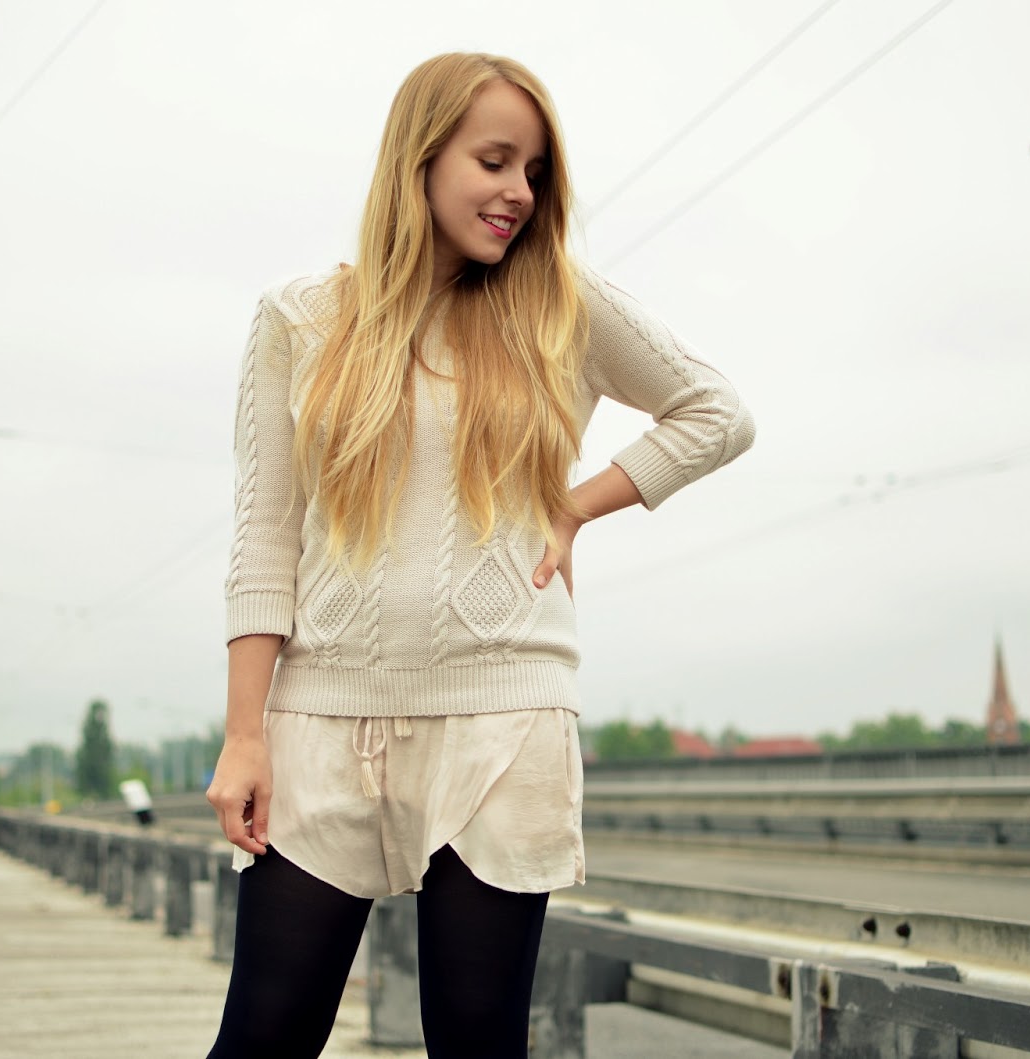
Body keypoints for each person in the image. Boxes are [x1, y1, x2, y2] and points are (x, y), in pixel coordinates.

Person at [206, 52, 755, 1059]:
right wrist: (246, 736)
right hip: (320, 719)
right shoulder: (299, 317)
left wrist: (574, 506)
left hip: (502, 720)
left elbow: (715, 412)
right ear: (417, 159)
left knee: (476, 1041)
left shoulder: (557, 306)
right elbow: (264, 533)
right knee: (262, 1037)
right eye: (494, 161)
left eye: (534, 172)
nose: (519, 193)